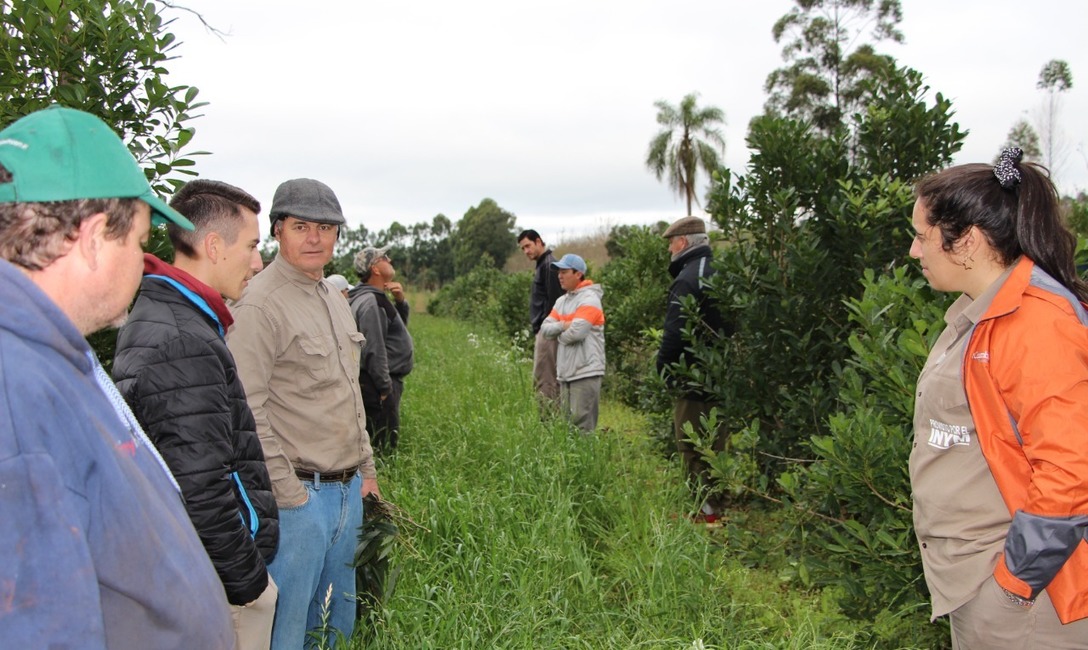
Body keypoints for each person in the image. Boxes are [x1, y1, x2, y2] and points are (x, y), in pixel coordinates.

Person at [0, 106, 233, 647]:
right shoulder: (16, 391)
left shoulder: (51, 355)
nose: (142, 261)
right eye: (139, 241)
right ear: (93, 238)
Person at [909, 148, 1088, 647]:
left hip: (1024, 602)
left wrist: (1014, 584)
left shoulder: (1037, 324)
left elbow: (1072, 468)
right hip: (976, 582)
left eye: (922, 236)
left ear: (966, 241)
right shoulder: (979, 313)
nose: (915, 252)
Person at [112, 179, 279, 650]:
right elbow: (202, 488)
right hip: (216, 580)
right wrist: (251, 586)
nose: (257, 263)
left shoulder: (169, 315)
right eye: (251, 247)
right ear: (214, 246)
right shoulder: (184, 340)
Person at [226, 178, 380, 649]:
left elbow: (349, 394)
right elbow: (246, 412)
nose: (315, 238)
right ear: (277, 231)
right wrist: (291, 497)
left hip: (348, 491)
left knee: (336, 624)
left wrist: (367, 471)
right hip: (296, 498)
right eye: (301, 226)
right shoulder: (258, 304)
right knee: (287, 630)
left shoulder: (333, 297)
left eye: (325, 228)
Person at [655, 216, 729, 520]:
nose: (669, 249)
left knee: (692, 443)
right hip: (721, 372)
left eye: (671, 243)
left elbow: (675, 332)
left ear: (683, 242)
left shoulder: (688, 278)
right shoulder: (719, 271)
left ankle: (705, 509)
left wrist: (663, 366)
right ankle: (717, 503)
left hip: (694, 374)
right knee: (717, 439)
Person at [348, 245, 414, 451]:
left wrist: (400, 303)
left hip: (377, 382)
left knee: (379, 442)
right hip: (378, 385)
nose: (390, 260)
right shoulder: (371, 302)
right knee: (383, 448)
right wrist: (385, 389)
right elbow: (374, 349)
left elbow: (395, 331)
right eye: (384, 257)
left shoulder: (373, 298)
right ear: (375, 269)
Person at [540, 253, 605, 433]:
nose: (559, 276)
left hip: (586, 371)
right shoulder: (561, 301)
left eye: (564, 272)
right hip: (566, 373)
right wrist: (564, 325)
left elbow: (577, 333)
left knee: (582, 428)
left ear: (578, 274)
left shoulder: (590, 299)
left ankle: (588, 454)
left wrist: (559, 335)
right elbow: (545, 329)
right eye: (558, 272)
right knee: (568, 428)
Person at [518, 229, 564, 411]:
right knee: (545, 377)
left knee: (545, 379)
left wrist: (547, 328)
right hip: (545, 330)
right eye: (523, 248)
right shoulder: (542, 264)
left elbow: (555, 302)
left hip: (548, 332)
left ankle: (548, 420)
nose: (526, 251)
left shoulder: (549, 265)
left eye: (528, 246)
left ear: (538, 242)